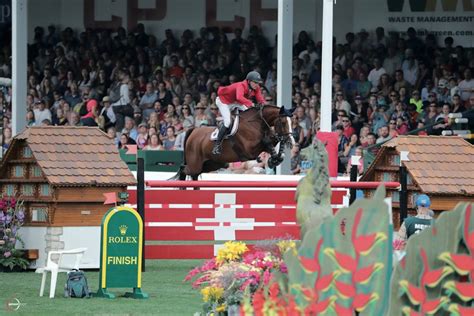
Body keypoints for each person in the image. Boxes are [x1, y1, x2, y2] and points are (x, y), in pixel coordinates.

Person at [213, 71, 265, 155]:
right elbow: (239, 97)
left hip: (235, 102)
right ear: (249, 81)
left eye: (258, 83)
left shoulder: (256, 87)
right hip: (224, 101)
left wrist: (263, 105)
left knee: (251, 115)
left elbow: (260, 99)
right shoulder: (241, 85)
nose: (257, 84)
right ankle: (217, 145)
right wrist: (252, 104)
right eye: (255, 82)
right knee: (227, 122)